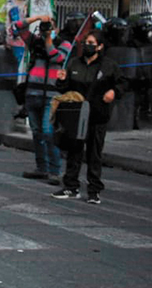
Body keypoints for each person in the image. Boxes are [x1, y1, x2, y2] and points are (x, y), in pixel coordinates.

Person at [52, 30, 122, 204]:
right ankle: (71, 186)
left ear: (100, 46)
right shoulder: (74, 64)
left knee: (94, 153)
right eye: (85, 42)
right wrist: (61, 80)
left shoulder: (108, 66)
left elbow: (122, 83)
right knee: (74, 150)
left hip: (98, 114)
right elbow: (64, 88)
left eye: (91, 43)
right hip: (76, 114)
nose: (87, 45)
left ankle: (94, 190)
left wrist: (113, 92)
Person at [13, 13, 72, 183]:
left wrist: (48, 39)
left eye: (50, 27)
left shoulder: (64, 44)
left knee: (48, 133)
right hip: (32, 93)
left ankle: (55, 170)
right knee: (37, 134)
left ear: (56, 29)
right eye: (45, 27)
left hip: (51, 95)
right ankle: (41, 168)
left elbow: (56, 57)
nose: (47, 30)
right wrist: (36, 18)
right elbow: (17, 27)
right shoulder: (34, 41)